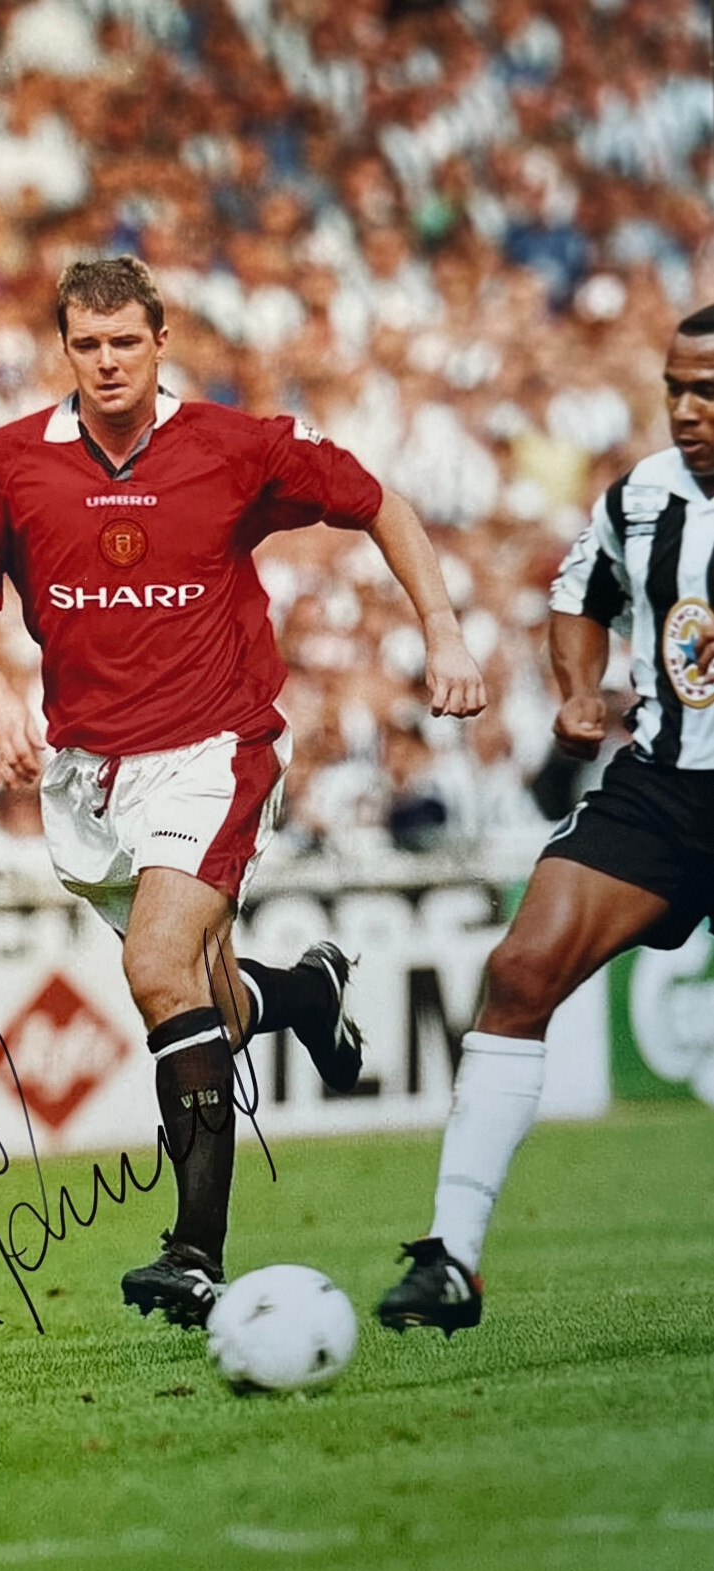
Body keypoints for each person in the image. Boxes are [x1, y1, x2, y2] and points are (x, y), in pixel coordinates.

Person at [0, 255, 486, 1329]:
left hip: (214, 749)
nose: (107, 362)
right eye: (87, 344)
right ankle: (300, 996)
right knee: (200, 1000)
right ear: (64, 349)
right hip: (86, 771)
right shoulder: (2, 463)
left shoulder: (234, 445)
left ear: (160, 341)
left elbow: (380, 504)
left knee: (154, 966)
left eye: (125, 342)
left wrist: (443, 631)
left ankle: (193, 1253)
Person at [377, 304, 714, 1337]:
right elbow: (581, 596)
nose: (684, 411)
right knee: (520, 971)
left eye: (706, 393)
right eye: (674, 390)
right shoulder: (642, 496)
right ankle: (450, 1259)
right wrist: (576, 691)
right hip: (665, 788)